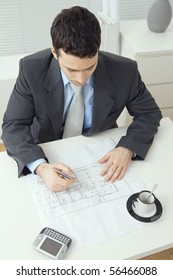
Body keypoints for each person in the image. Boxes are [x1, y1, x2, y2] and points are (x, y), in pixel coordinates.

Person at [2, 6, 162, 192]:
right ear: (55, 53)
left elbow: (149, 113)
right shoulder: (31, 70)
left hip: (100, 151)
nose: (80, 79)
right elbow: (13, 125)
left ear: (98, 50)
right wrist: (41, 167)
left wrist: (126, 148)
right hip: (48, 147)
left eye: (89, 68)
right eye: (72, 70)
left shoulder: (125, 71)